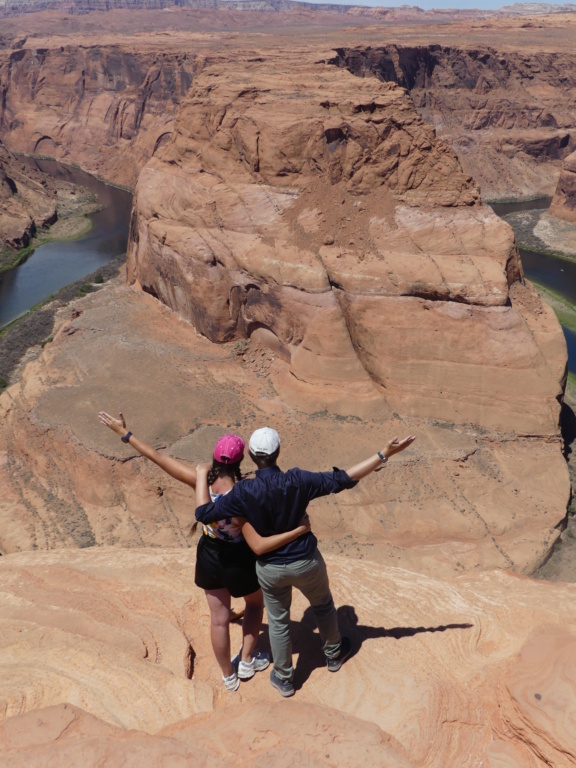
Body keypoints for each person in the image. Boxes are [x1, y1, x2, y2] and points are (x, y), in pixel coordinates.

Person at [195, 427, 416, 698]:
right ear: (278, 453)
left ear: (251, 456)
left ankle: (285, 678)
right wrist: (384, 454)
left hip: (271, 567)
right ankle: (334, 655)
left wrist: (200, 476)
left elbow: (204, 513)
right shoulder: (298, 480)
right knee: (322, 605)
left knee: (278, 620)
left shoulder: (242, 493)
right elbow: (344, 478)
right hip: (305, 561)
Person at [98, 412, 310, 692]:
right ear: (240, 460)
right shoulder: (245, 491)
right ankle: (247, 660)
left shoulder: (202, 482)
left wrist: (125, 434)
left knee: (219, 620)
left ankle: (228, 675)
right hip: (240, 558)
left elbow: (159, 459)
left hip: (210, 557)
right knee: (255, 604)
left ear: (214, 457)